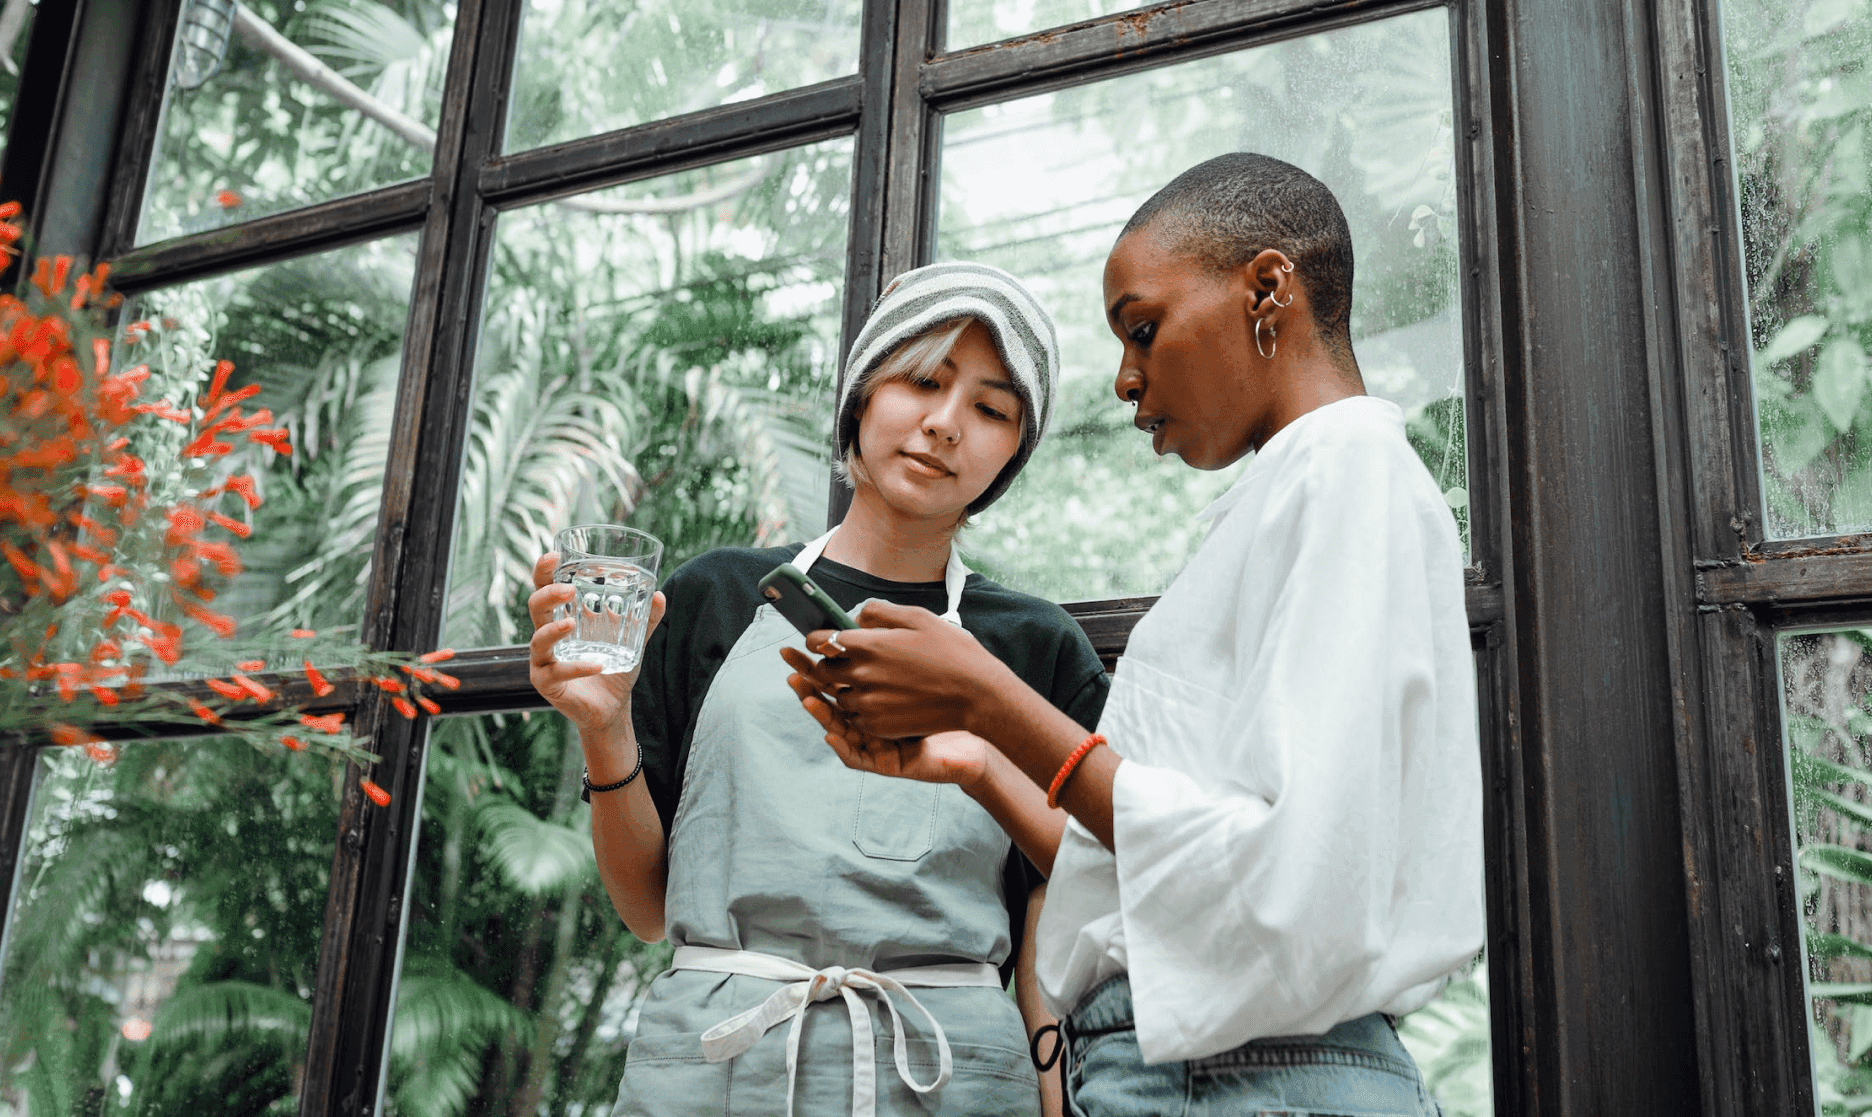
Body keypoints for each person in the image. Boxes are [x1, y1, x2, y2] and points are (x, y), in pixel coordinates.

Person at [783, 152, 1484, 1115]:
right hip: (1207, 1071)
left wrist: (989, 696)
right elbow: (1165, 886)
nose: (1123, 379)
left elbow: (1292, 872)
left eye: (1143, 329)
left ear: (1268, 288)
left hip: (1249, 1078)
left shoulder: (1347, 476)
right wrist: (981, 760)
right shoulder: (1288, 497)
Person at [525, 261, 1108, 1117]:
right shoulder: (717, 596)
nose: (946, 424)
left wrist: (1055, 1100)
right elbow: (648, 909)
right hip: (714, 1071)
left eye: (990, 409)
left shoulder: (1035, 648)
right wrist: (605, 728)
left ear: (1012, 452)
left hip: (955, 1079)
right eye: (922, 380)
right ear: (862, 395)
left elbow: (1078, 898)